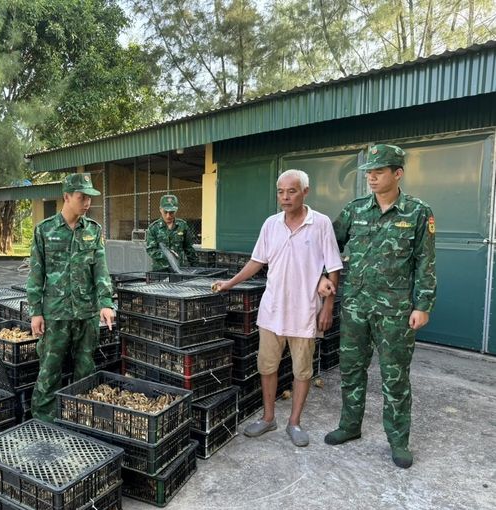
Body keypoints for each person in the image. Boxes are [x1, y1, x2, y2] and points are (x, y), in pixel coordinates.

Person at [318, 144, 436, 468]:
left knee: (395, 376)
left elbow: (425, 262)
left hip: (396, 311)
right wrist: (323, 277)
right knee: (351, 369)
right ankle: (349, 426)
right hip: (355, 306)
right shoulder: (354, 210)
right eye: (368, 171)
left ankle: (398, 440)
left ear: (397, 173)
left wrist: (422, 305)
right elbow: (328, 246)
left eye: (378, 171)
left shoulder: (417, 211)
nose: (370, 176)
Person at [214, 169, 343, 446]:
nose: (285, 197)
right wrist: (230, 283)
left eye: (292, 191)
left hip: (305, 312)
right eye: (281, 192)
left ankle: (294, 423)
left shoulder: (319, 224)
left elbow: (333, 268)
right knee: (267, 367)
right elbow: (256, 262)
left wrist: (327, 307)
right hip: (272, 312)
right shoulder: (271, 224)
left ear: (305, 192)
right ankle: (268, 417)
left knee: (302, 371)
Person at [27, 172, 115, 422]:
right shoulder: (44, 231)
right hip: (55, 315)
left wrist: (106, 304)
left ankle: (80, 419)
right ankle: (43, 422)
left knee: (85, 371)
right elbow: (36, 273)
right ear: (66, 197)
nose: (87, 203)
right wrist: (36, 311)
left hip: (86, 314)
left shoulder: (93, 231)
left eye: (90, 198)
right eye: (82, 197)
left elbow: (100, 270)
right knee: (49, 371)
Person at [146, 194, 199, 271]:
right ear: (160, 209)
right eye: (165, 212)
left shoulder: (182, 225)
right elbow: (151, 250)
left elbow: (189, 249)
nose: (168, 216)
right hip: (160, 271)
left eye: (171, 212)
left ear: (176, 210)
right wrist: (168, 256)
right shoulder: (153, 228)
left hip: (178, 270)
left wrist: (196, 268)